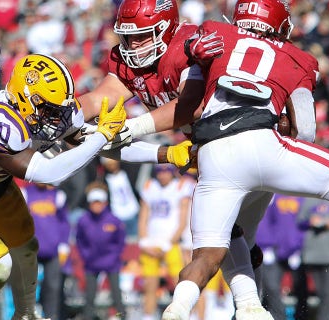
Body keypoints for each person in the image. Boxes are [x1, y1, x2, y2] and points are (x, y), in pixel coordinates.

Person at [141, 1, 329, 319]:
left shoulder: (216, 33)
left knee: (212, 250)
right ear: (281, 26)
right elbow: (306, 129)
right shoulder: (296, 57)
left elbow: (191, 98)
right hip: (263, 145)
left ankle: (189, 307)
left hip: (212, 155)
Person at [76, 0, 284, 310]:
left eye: (142, 36)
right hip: (213, 150)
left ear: (165, 29)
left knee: (220, 238)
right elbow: (100, 98)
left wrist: (132, 128)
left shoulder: (186, 45)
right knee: (234, 237)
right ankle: (256, 309)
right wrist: (60, 113)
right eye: (128, 37)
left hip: (248, 141)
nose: (133, 45)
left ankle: (249, 308)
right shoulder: (132, 61)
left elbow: (190, 106)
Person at [0, 53, 127, 320]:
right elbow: (50, 174)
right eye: (48, 109)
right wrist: (100, 137)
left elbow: (108, 143)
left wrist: (165, 154)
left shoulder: (44, 114)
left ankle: (26, 314)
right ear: (26, 99)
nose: (56, 118)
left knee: (26, 247)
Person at [138, 164, 191, 320]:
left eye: (166, 171)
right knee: (149, 285)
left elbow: (182, 221)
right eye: (159, 171)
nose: (162, 174)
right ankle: (148, 316)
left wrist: (168, 244)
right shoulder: (150, 186)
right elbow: (143, 217)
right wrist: (144, 241)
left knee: (180, 284)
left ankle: (184, 315)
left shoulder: (180, 187)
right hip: (151, 242)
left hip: (171, 243)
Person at [76, 182, 127, 320]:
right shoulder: (83, 221)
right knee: (89, 296)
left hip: (111, 263)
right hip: (91, 263)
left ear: (105, 203)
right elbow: (79, 240)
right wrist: (86, 256)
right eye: (94, 202)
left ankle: (122, 317)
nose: (96, 205)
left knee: (117, 295)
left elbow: (120, 241)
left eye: (99, 202)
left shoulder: (114, 220)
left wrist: (113, 257)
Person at [23, 182, 71, 320]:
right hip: (31, 250)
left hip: (53, 250)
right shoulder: (25, 194)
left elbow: (64, 223)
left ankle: (52, 316)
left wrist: (63, 245)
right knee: (27, 287)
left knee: (53, 287)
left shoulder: (58, 196)